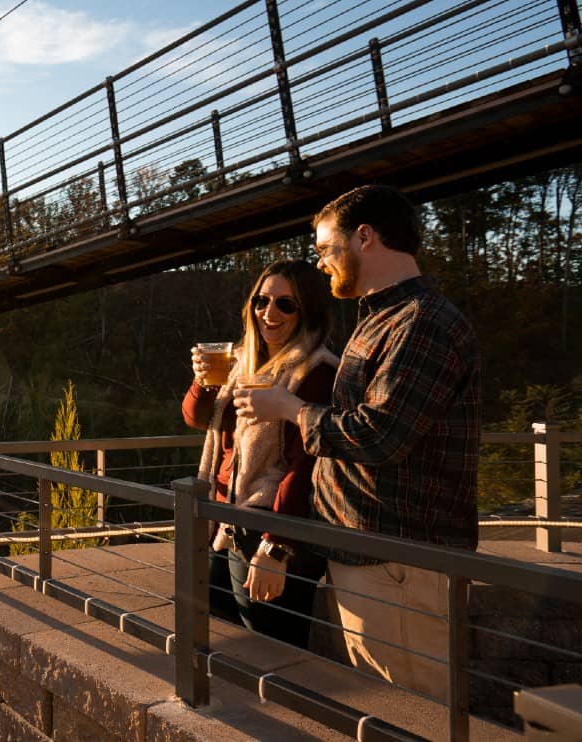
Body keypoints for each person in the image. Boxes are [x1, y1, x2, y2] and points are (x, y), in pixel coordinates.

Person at [232, 184, 481, 700]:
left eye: (326, 248)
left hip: (401, 563)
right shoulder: (381, 319)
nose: (321, 263)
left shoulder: (424, 323)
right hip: (369, 557)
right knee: (388, 710)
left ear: (364, 237)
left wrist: (293, 410)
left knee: (419, 711)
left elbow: (381, 437)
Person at [182, 259, 336, 648]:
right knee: (222, 643)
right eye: (261, 301)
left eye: (286, 304)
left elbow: (307, 467)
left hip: (267, 529)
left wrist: (276, 545)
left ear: (308, 311)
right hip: (222, 520)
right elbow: (198, 418)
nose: (269, 313)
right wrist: (203, 381)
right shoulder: (241, 362)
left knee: (272, 652)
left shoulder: (318, 370)